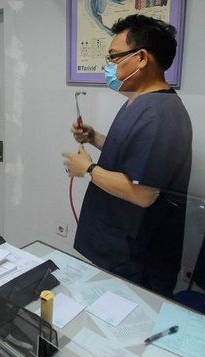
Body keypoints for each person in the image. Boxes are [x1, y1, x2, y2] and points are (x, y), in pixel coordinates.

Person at [62, 15, 192, 298]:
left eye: (114, 57)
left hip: (138, 259)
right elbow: (134, 158)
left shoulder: (159, 113)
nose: (109, 66)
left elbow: (143, 193)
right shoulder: (138, 101)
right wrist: (94, 137)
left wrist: (87, 169)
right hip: (117, 245)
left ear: (142, 57)